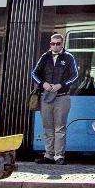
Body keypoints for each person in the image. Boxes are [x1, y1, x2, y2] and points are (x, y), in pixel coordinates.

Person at [29, 33, 79, 165]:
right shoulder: (45, 57)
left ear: (62, 44)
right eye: (53, 43)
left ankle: (59, 156)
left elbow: (75, 76)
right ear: (50, 44)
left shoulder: (69, 57)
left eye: (58, 43)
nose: (55, 46)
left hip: (62, 97)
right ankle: (48, 155)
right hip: (46, 97)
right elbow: (34, 73)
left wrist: (61, 85)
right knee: (47, 127)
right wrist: (42, 83)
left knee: (60, 127)